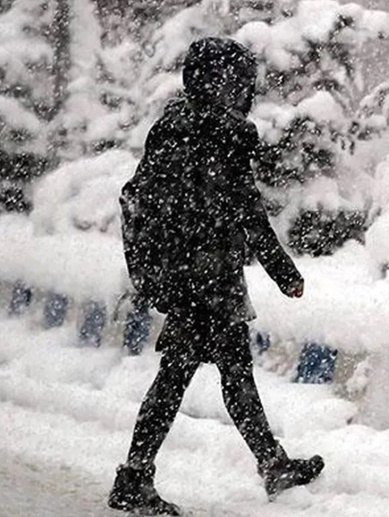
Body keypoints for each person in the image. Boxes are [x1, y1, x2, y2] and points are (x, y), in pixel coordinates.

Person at [109, 37, 324, 516]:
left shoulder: (177, 129)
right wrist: (284, 272)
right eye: (238, 82)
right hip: (203, 282)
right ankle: (135, 477)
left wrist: (165, 271)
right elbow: (247, 212)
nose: (244, 92)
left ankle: (270, 463)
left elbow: (166, 204)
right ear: (218, 83)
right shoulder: (216, 136)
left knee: (228, 372)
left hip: (194, 279)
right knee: (185, 378)